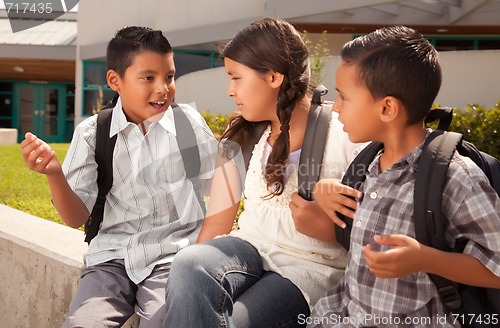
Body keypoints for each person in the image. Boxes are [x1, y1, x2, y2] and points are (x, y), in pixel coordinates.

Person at [163, 18, 361, 328]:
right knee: (189, 264)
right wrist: (181, 285)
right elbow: (217, 221)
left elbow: (374, 224)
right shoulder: (241, 136)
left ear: (272, 77)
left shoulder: (345, 134)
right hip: (250, 249)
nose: (230, 91)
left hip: (311, 267)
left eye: (236, 78)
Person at [21, 26, 218, 327]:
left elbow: (215, 188)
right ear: (115, 81)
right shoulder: (92, 134)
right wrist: (54, 173)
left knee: (165, 320)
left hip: (172, 257)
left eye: (169, 76)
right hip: (111, 259)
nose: (163, 89)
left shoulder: (186, 124)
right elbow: (76, 217)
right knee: (83, 323)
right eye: (148, 78)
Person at [308, 25, 500, 327]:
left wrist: (424, 258)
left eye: (344, 97)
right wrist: (323, 189)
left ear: (387, 108)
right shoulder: (367, 163)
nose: (336, 109)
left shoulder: (454, 177)